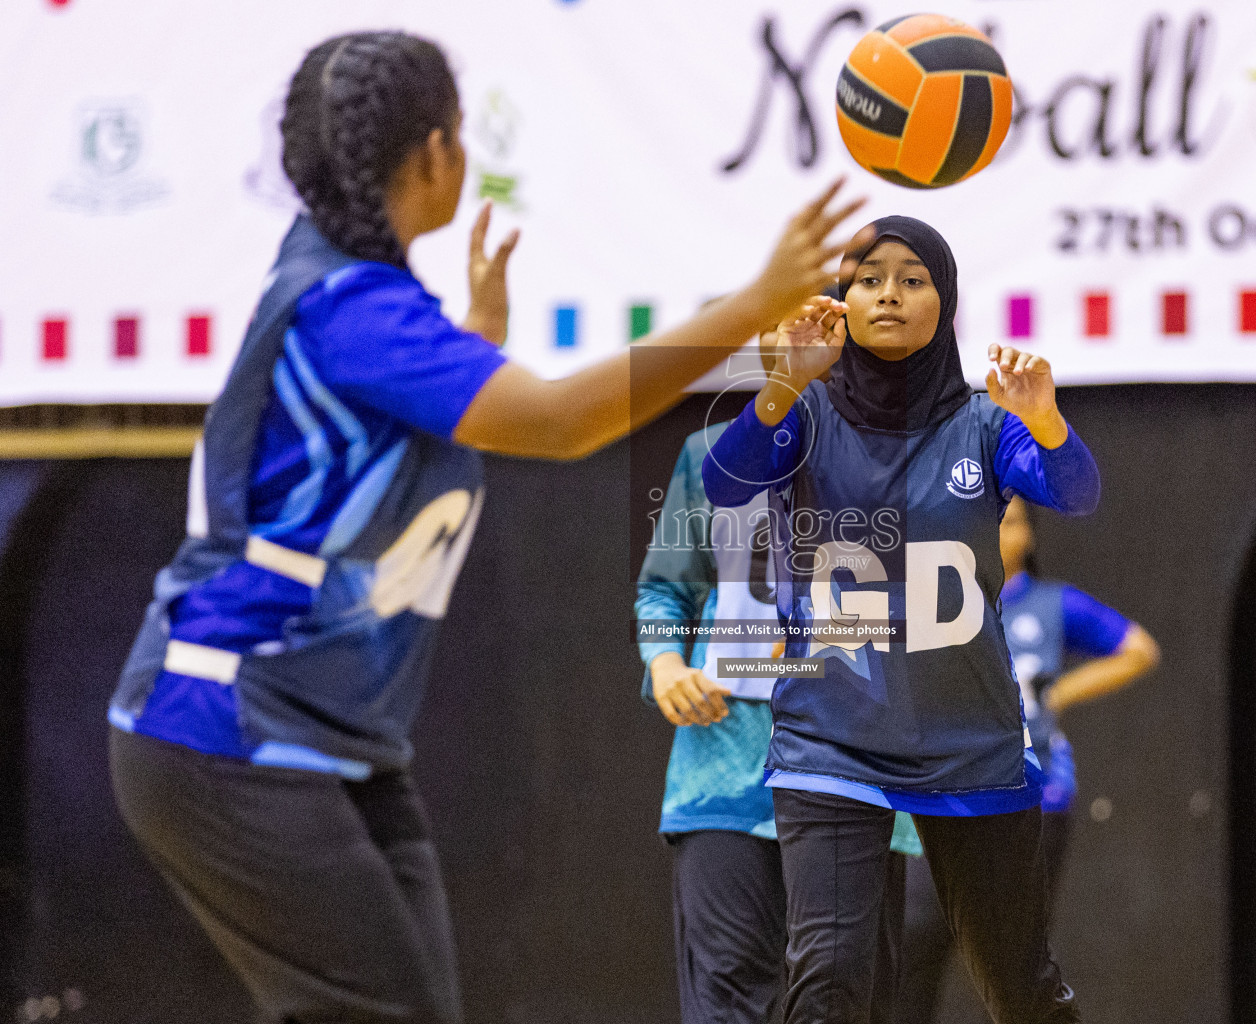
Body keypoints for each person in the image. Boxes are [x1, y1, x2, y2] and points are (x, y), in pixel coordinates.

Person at [106, 30, 862, 1024]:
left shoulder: (353, 295)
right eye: (460, 133)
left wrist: (475, 344)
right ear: (434, 155)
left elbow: (383, 438)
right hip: (224, 725)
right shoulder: (353, 311)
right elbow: (556, 424)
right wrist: (750, 306)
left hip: (329, 731)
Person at [701, 215, 1099, 1024]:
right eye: (869, 277)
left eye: (913, 279)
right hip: (830, 737)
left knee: (1019, 984)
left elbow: (1078, 490)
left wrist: (1047, 418)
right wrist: (782, 382)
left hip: (968, 738)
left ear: (945, 302)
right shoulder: (807, 415)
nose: (889, 293)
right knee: (829, 980)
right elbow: (725, 482)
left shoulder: (985, 425)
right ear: (842, 298)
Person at [636, 329, 923, 1024]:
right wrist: (667, 663)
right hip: (722, 772)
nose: (798, 334)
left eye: (820, 319)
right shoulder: (709, 458)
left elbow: (934, 609)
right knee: (728, 993)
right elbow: (663, 593)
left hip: (850, 768)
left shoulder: (899, 462)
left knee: (841, 997)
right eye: (780, 317)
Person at [897, 497, 1160, 1024]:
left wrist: (1060, 692)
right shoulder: (932, 601)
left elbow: (1139, 649)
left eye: (1010, 521)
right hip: (941, 798)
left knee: (1014, 957)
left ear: (1030, 536)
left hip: (1034, 797)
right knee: (912, 942)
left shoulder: (1052, 604)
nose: (995, 532)